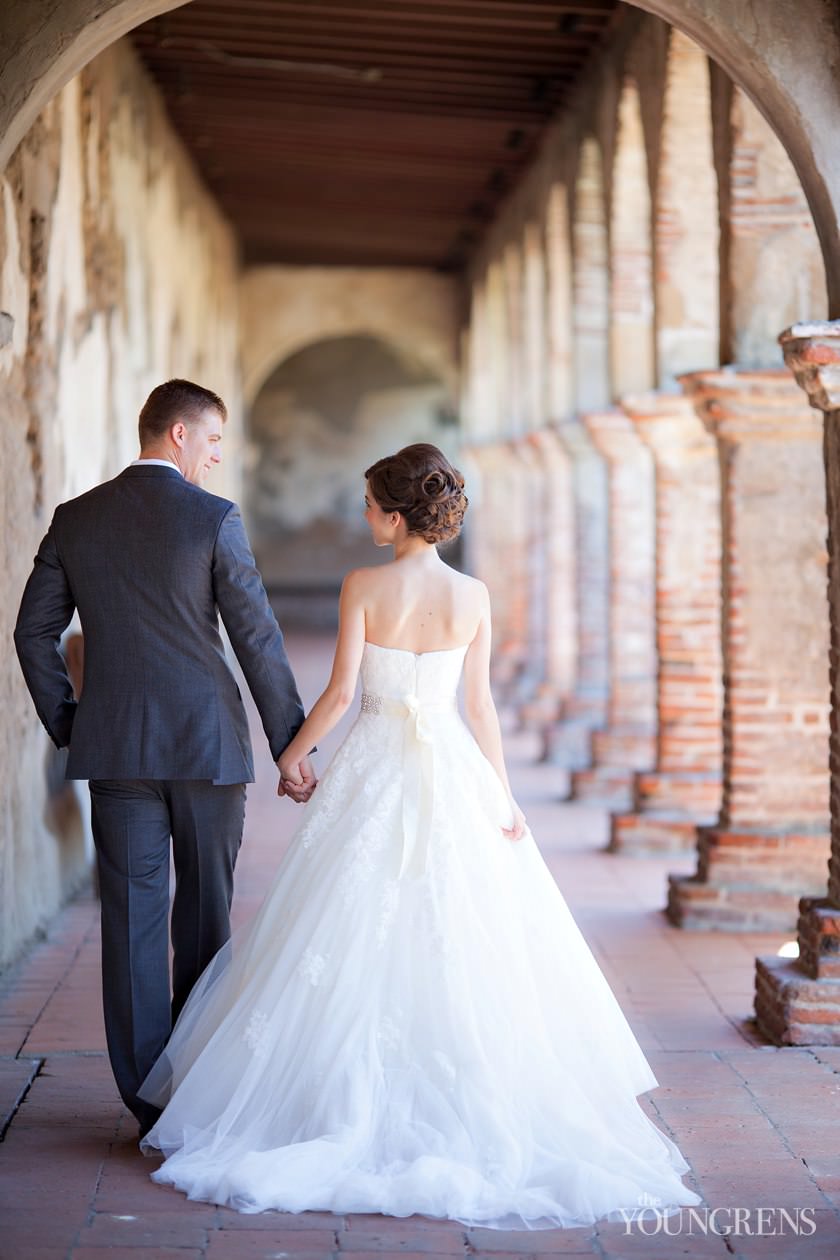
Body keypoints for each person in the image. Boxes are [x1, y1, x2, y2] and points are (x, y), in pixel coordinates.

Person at [136, 442, 701, 1229]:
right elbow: (481, 707)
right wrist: (503, 796)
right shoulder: (472, 595)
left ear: (397, 515)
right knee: (459, 929)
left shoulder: (365, 584)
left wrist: (293, 757)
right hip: (452, 773)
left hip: (373, 769)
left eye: (370, 504)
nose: (363, 515)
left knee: (343, 922)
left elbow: (337, 696)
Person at [13, 379, 315, 1140]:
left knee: (132, 920)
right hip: (208, 747)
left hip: (114, 749)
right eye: (213, 440)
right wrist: (292, 744)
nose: (218, 455)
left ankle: (147, 1097)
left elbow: (31, 634)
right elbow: (257, 637)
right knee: (206, 912)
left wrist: (70, 726)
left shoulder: (76, 519)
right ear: (177, 435)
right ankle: (198, 1077)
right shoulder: (214, 518)